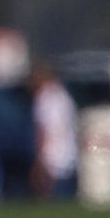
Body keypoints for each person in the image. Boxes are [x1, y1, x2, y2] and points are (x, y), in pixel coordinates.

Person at [29, 62, 79, 199]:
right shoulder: (63, 96)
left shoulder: (45, 98)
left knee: (53, 198)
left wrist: (39, 159)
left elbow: (44, 130)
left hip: (52, 157)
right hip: (69, 154)